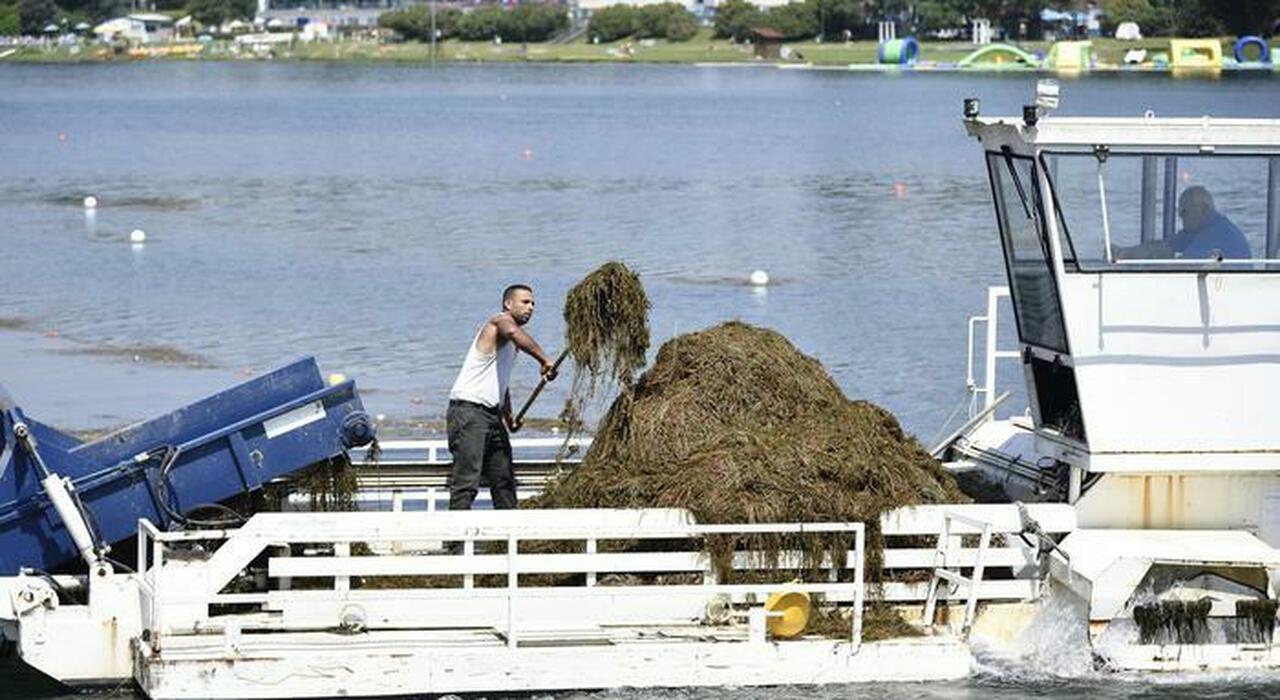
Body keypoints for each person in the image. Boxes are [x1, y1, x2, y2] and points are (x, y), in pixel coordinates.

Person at [446, 284, 557, 512]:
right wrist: (544, 359)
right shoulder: (499, 322)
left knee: (504, 482)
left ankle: (508, 543)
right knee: (466, 483)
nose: (531, 308)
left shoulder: (511, 346)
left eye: (533, 304)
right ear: (508, 304)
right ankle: (455, 546)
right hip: (469, 411)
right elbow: (513, 332)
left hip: (491, 416)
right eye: (525, 302)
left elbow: (501, 384)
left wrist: (508, 418)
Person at [1113, 186, 1251, 261]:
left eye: (1184, 212)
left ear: (1203, 209)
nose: (1180, 217)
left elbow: (1184, 265)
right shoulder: (1196, 230)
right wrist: (1124, 252)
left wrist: (1156, 260)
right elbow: (1165, 245)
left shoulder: (1217, 233)